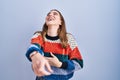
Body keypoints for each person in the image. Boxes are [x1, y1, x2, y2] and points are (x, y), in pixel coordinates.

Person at [26, 9, 83, 80]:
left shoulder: (69, 38)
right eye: (48, 14)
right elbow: (33, 46)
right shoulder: (38, 35)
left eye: (55, 14)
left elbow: (79, 63)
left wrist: (59, 64)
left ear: (61, 22)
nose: (50, 15)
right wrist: (35, 55)